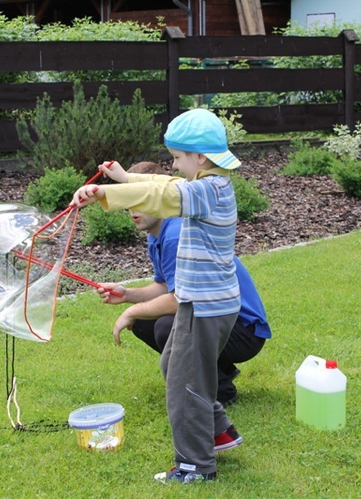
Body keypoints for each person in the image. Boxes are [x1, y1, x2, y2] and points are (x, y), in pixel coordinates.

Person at [71, 108, 247, 484]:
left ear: (199, 158)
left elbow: (163, 192)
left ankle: (194, 467)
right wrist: (124, 177)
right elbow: (165, 183)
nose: (173, 164)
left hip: (204, 305)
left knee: (185, 385)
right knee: (176, 367)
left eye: (178, 157)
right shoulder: (211, 184)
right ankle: (219, 432)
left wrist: (108, 191)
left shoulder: (204, 191)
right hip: (204, 301)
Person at [96, 161, 271, 409]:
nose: (133, 211)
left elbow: (180, 299)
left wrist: (130, 310)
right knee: (146, 324)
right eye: (129, 203)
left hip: (242, 330)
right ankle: (219, 372)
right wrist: (127, 295)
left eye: (141, 201)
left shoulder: (176, 233)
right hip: (219, 321)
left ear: (160, 200)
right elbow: (166, 286)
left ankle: (221, 392)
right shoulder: (157, 233)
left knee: (167, 325)